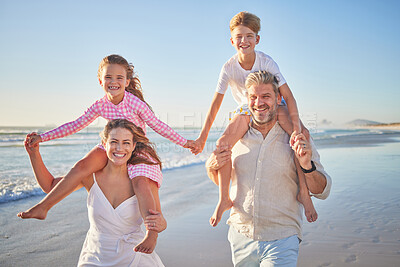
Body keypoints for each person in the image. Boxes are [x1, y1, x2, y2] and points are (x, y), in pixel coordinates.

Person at [18, 54, 198, 253]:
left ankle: (151, 233)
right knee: (81, 167)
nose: (113, 82)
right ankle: (44, 207)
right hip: (111, 145)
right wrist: (42, 138)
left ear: (127, 81)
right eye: (108, 77)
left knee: (140, 182)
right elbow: (75, 125)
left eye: (119, 78)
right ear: (100, 81)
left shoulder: (135, 103)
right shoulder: (100, 104)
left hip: (137, 146)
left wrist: (185, 142)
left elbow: (158, 125)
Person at [195, 11, 316, 227]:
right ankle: (224, 198)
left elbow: (288, 96)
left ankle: (304, 193)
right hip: (246, 107)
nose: (244, 41)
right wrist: (202, 138)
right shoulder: (228, 67)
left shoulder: (267, 62)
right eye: (239, 37)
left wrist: (296, 128)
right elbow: (215, 103)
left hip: (275, 104)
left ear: (257, 39)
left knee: (300, 137)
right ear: (232, 41)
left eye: (249, 36)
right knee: (223, 144)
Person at [206, 71, 332, 266]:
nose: (259, 103)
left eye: (266, 96)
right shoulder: (236, 136)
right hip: (241, 235)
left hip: (282, 237)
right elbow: (224, 179)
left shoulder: (297, 138)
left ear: (279, 98)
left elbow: (323, 190)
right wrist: (211, 165)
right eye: (253, 97)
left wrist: (307, 166)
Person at [19, 119, 166, 266]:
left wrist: (159, 226)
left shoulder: (144, 182)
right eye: (114, 142)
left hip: (135, 256)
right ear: (104, 144)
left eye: (126, 143)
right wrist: (34, 154)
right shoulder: (90, 178)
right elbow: (50, 187)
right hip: (94, 258)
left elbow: (159, 221)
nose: (119, 148)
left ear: (134, 146)